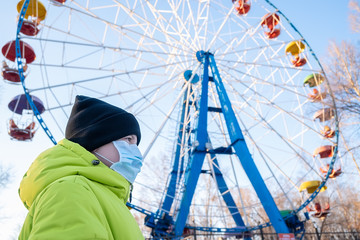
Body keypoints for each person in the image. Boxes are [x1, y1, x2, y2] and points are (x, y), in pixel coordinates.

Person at [18, 95, 144, 239]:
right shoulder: (71, 190)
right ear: (96, 141)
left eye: (135, 144)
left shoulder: (112, 201)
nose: (136, 151)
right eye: (128, 140)